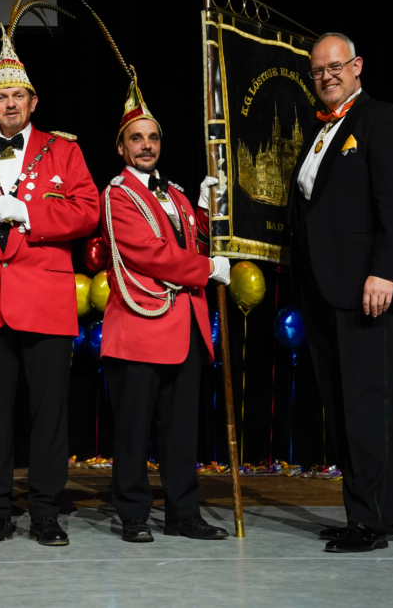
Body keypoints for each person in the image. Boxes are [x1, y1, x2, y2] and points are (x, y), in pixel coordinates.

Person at [0, 0, 99, 547]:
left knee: (48, 414)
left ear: (33, 101)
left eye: (18, 95)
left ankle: (44, 510)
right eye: (2, 97)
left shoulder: (63, 151)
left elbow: (88, 211)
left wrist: (30, 214)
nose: (10, 104)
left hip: (45, 299)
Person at [287, 32, 393, 553]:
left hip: (368, 288)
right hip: (325, 290)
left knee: (366, 406)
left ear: (357, 66)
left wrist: (386, 272)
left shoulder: (382, 119)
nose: (326, 76)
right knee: (346, 408)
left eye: (335, 67)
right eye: (318, 71)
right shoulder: (318, 131)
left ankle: (368, 523)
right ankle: (383, 517)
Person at [97, 60, 231, 543]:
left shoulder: (174, 193)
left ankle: (183, 513)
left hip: (185, 326)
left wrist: (203, 211)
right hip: (141, 325)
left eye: (153, 138)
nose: (147, 145)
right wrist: (208, 269)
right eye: (137, 138)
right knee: (134, 430)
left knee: (181, 431)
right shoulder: (116, 195)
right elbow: (151, 254)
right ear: (121, 147)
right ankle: (134, 514)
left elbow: (189, 241)